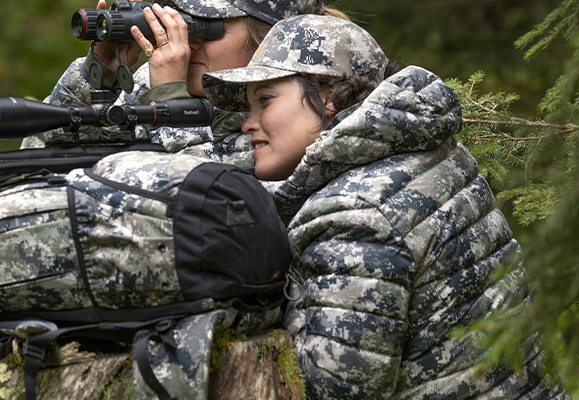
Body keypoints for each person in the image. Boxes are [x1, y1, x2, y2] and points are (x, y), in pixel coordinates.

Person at [200, 14, 571, 399]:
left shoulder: (355, 212)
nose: (248, 123)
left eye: (265, 100)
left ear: (327, 98)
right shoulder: (421, 154)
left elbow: (334, 388)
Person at [23, 0, 335, 171]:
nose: (189, 41)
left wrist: (170, 102)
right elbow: (38, 162)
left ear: (270, 38)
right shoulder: (149, 84)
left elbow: (203, 207)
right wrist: (97, 79)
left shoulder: (297, 120)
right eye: (182, 21)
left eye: (207, 28)